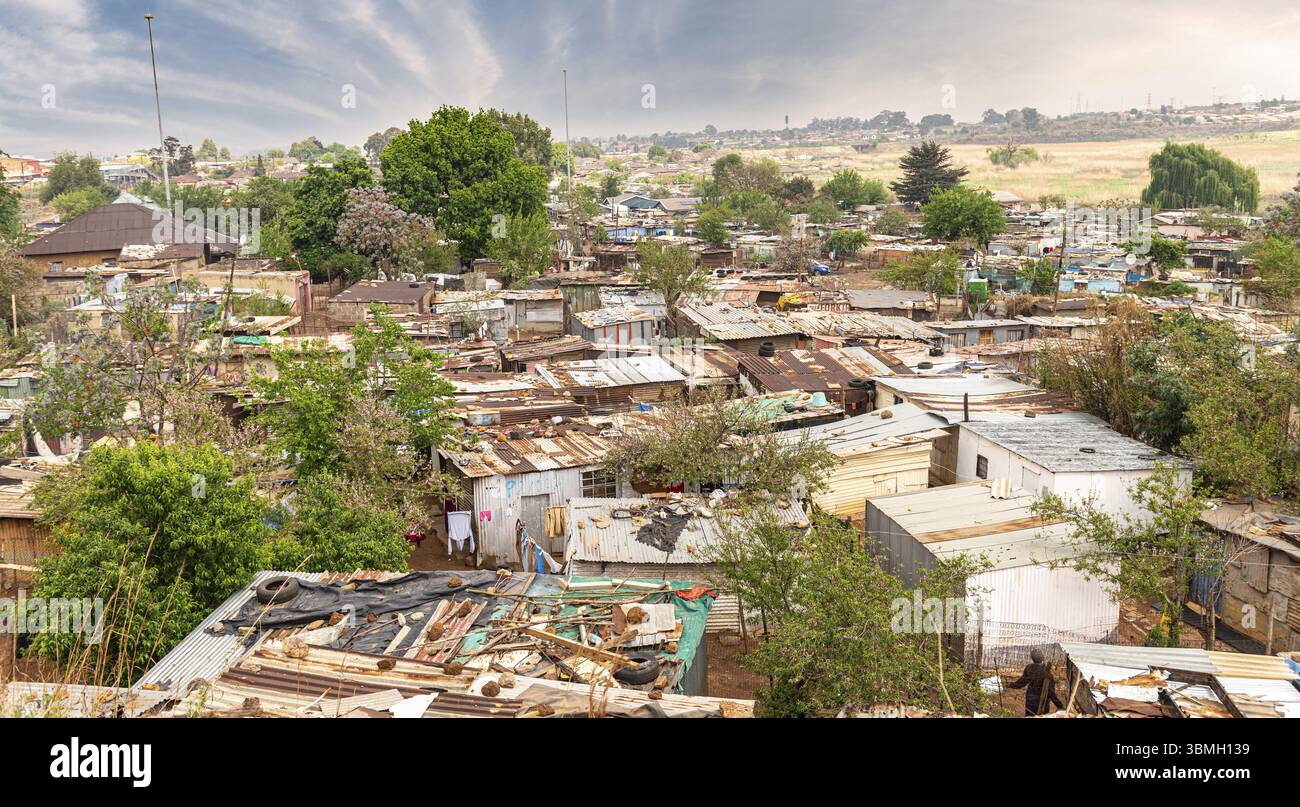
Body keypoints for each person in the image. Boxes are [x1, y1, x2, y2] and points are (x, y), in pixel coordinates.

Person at [1005, 648, 1065, 716]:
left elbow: (1021, 683)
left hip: (1031, 698)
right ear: (1043, 657)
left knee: (1029, 715)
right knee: (1042, 716)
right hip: (1042, 700)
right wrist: (1060, 705)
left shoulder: (1029, 668)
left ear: (1032, 658)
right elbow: (1051, 692)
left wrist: (1011, 685)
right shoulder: (1047, 674)